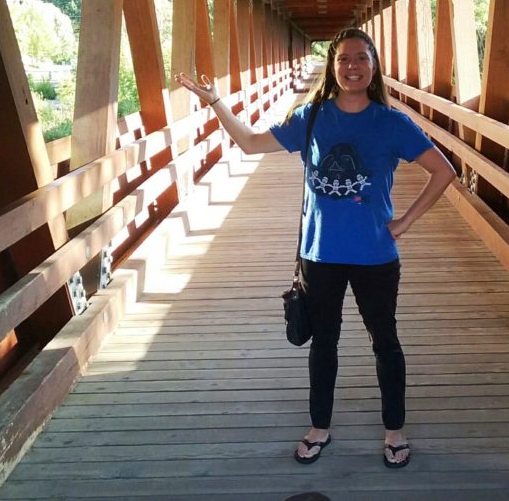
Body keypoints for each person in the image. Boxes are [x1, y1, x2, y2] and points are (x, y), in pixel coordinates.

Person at [176, 28, 455, 469]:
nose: (352, 67)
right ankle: (319, 427)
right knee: (324, 342)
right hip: (319, 255)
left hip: (376, 256)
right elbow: (249, 144)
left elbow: (444, 171)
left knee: (386, 341)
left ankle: (394, 430)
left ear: (374, 65)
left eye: (361, 58)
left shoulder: (392, 123)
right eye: (343, 59)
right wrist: (215, 102)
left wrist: (405, 221)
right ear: (332, 65)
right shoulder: (312, 117)